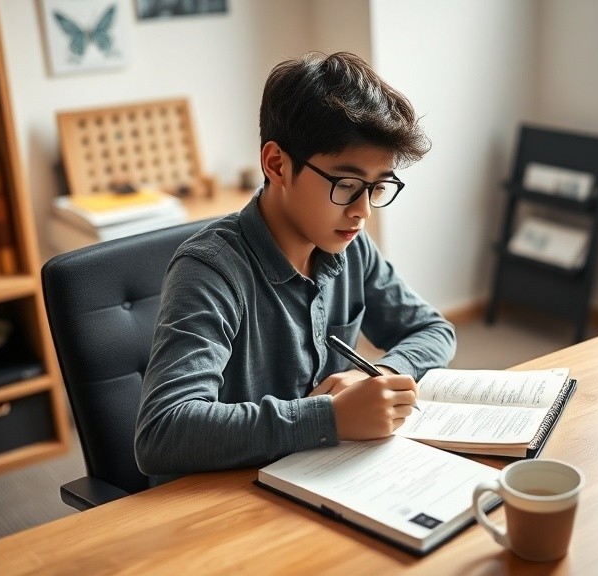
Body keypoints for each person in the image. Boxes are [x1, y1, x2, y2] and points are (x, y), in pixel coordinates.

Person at [134, 51, 456, 479]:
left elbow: (433, 330)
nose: (363, 212)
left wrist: (379, 374)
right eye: (346, 185)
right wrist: (329, 418)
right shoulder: (209, 271)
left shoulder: (349, 246)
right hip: (228, 500)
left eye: (377, 188)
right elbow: (164, 432)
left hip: (327, 477)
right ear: (277, 164)